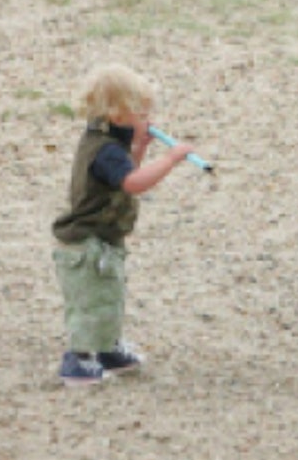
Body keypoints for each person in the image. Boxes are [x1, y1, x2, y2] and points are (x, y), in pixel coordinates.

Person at [51, 64, 195, 387]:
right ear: (118, 116)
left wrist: (140, 149)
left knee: (108, 295)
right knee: (89, 300)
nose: (148, 121)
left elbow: (123, 173)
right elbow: (132, 182)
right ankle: (79, 358)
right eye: (141, 114)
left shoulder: (108, 146)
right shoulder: (105, 151)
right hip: (86, 243)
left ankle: (108, 349)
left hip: (103, 239)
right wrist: (170, 160)